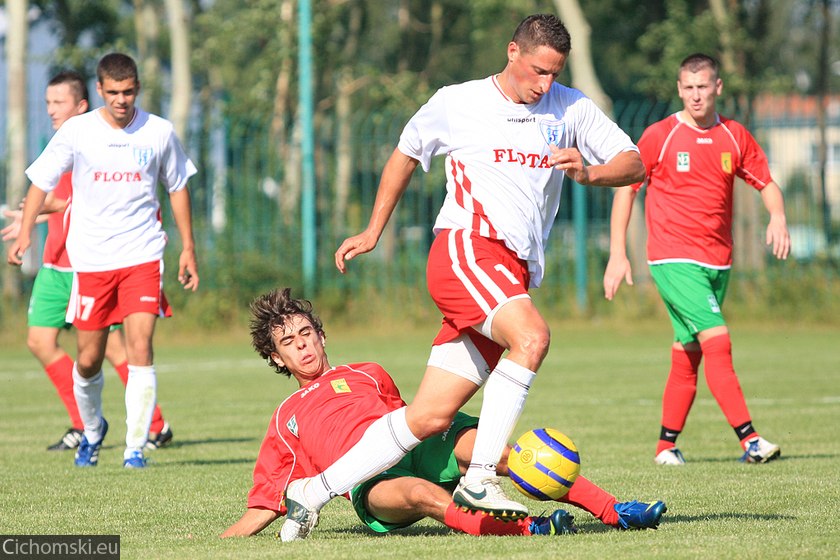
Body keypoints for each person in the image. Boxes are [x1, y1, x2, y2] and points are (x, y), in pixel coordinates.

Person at [276, 13, 646, 539]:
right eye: (538, 70)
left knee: (426, 418)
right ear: (512, 52)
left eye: (555, 73)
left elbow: (634, 163)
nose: (545, 84)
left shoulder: (569, 106)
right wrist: (373, 230)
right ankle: (478, 479)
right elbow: (404, 156)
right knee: (533, 337)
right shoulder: (458, 101)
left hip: (508, 273)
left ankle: (311, 493)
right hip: (466, 251)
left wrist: (591, 173)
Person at [220, 288, 666, 540]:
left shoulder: (368, 372)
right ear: (276, 358)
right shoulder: (286, 416)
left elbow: (412, 418)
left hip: (422, 447)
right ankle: (530, 528)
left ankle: (615, 511)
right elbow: (267, 501)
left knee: (510, 456)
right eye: (288, 342)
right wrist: (222, 541)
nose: (301, 344)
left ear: (320, 334)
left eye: (306, 332)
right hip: (373, 483)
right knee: (419, 493)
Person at [7, 53, 198, 469]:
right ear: (99, 90)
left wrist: (188, 247)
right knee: (89, 359)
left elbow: (179, 186)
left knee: (140, 346)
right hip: (91, 263)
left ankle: (135, 448)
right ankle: (93, 432)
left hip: (142, 256)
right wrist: (25, 231)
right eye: (113, 92)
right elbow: (40, 180)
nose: (121, 100)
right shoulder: (78, 132)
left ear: (138, 89)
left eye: (128, 92)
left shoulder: (160, 132)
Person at [603, 53, 790, 466]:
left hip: (718, 262)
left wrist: (777, 216)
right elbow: (626, 190)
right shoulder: (660, 135)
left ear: (717, 87)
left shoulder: (734, 135)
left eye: (703, 86)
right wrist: (618, 253)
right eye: (688, 88)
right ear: (678, 90)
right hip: (672, 257)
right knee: (717, 341)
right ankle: (751, 440)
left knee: (687, 351)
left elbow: (767, 183)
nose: (696, 95)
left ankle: (665, 445)